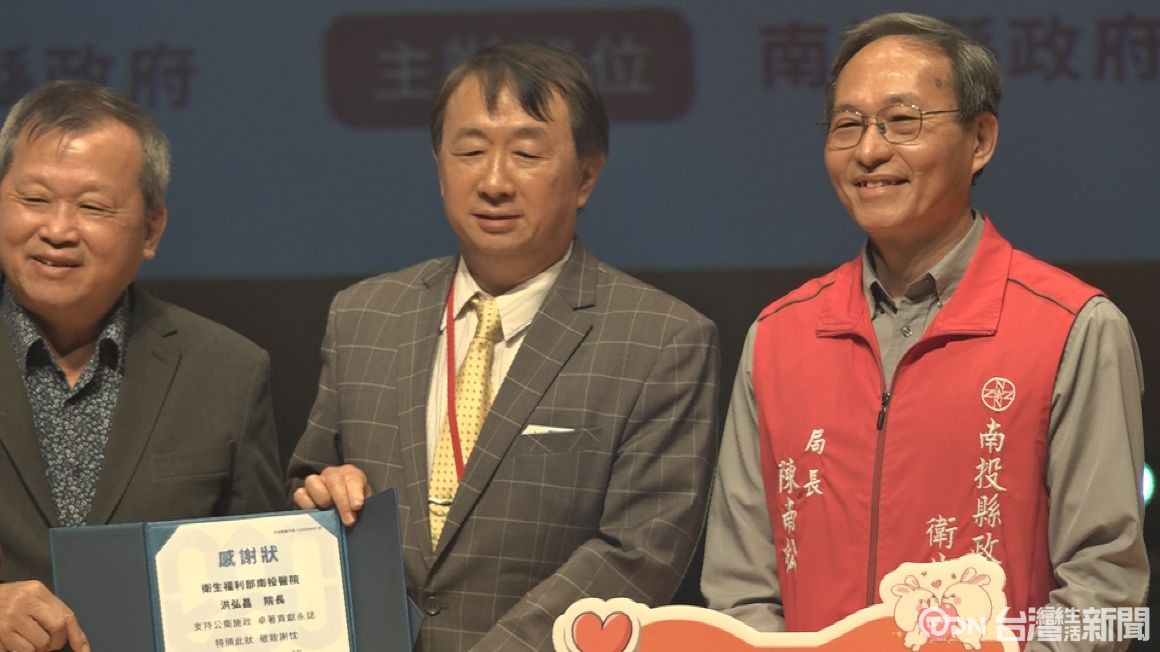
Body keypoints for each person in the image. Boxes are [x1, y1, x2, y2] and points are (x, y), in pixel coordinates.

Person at [701, 12, 1147, 651]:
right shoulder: (778, 335)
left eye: (901, 120)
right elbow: (740, 586)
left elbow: (1107, 592)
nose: (869, 150)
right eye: (848, 124)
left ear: (980, 140)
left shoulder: (1074, 327)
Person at [288, 41, 719, 651]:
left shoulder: (661, 339)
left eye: (526, 154)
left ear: (586, 175)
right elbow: (307, 483)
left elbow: (639, 552)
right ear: (438, 164)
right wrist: (318, 496)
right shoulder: (363, 315)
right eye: (469, 151)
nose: (493, 181)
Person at [0, 80, 284, 652]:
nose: (57, 230)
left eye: (92, 206)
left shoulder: (227, 371)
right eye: (34, 199)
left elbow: (263, 588)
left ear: (151, 229)